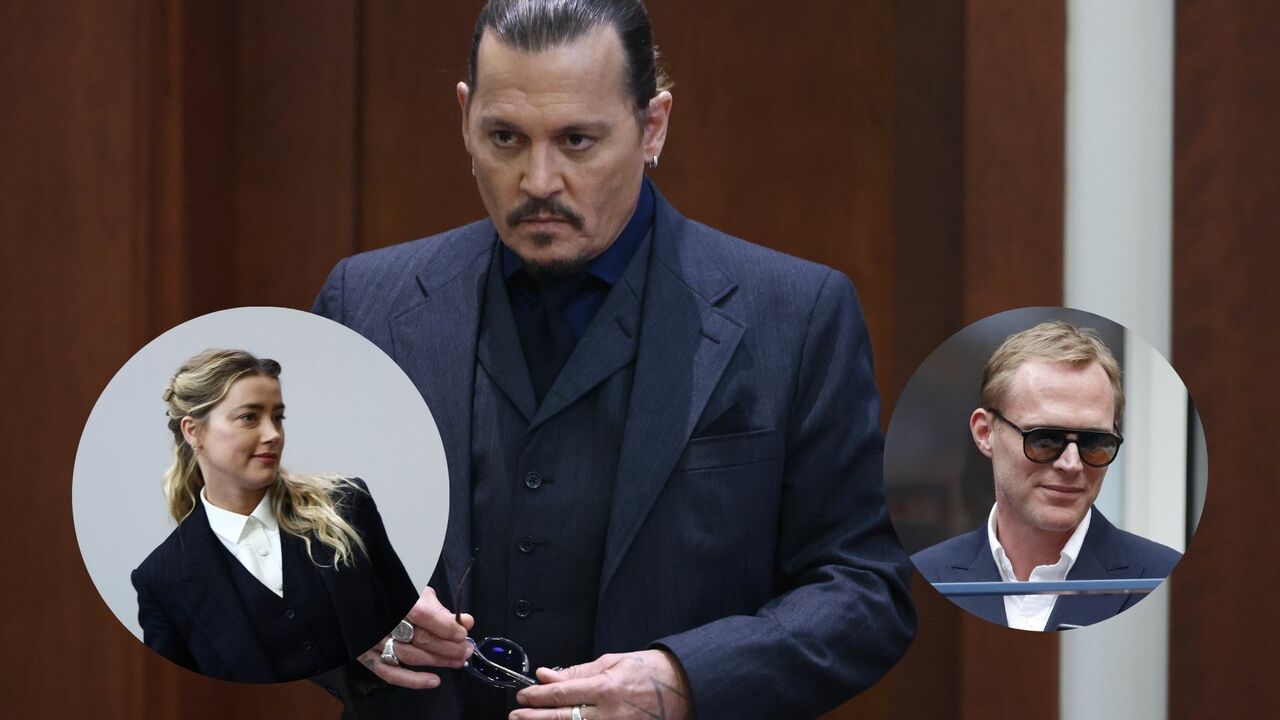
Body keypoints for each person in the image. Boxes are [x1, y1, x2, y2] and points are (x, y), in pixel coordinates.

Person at [313, 1, 915, 717]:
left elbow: (864, 589)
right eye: (505, 138)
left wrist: (685, 680)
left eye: (576, 140)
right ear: (464, 117)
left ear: (653, 124)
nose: (538, 180)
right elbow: (272, 548)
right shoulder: (364, 303)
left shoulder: (798, 314)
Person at [131, 349, 418, 683]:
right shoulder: (161, 579)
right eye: (249, 417)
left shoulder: (347, 504)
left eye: (278, 417)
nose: (273, 434)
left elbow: (412, 622)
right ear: (193, 431)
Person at [911, 321, 1182, 631]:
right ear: (985, 433)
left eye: (1094, 443)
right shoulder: (922, 577)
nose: (1071, 464)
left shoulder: (1163, 579)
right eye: (1044, 440)